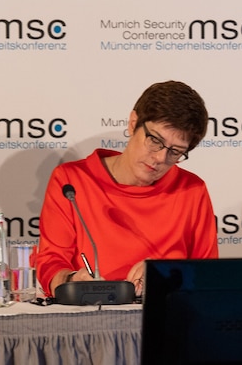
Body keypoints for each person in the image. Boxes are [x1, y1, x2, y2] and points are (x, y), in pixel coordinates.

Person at [37, 80, 219, 297]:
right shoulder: (71, 181)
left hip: (165, 319)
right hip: (88, 315)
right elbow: (50, 263)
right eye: (154, 140)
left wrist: (166, 274)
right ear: (133, 123)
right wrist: (70, 280)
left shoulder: (192, 189)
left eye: (176, 152)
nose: (160, 158)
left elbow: (208, 275)